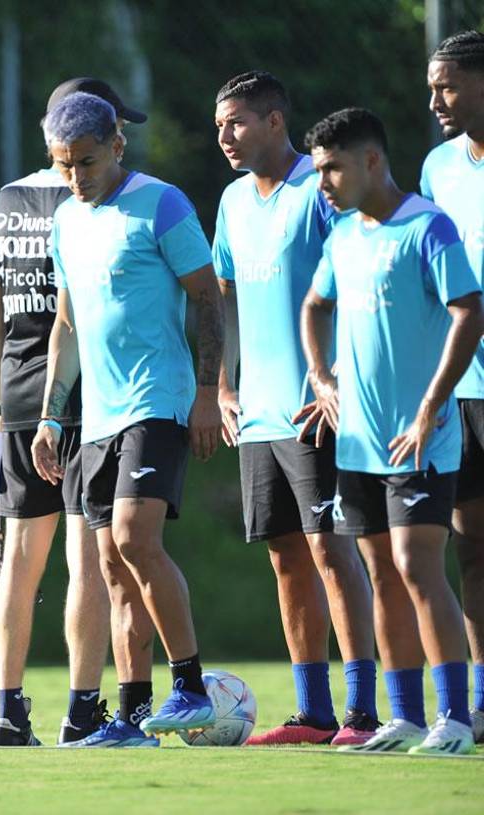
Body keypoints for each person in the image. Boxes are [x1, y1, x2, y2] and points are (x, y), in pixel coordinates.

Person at [31, 91, 225, 747]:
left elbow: (207, 298)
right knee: (111, 563)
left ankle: (192, 685)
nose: (75, 178)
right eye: (63, 166)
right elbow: (67, 323)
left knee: (136, 539)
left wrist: (207, 391)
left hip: (158, 400)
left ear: (116, 146)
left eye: (85, 163)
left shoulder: (162, 203)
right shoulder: (65, 222)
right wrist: (51, 415)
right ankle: (134, 716)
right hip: (98, 417)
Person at [299, 107, 484, 755]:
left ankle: (455, 719)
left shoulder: (427, 226)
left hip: (419, 436)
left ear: (372, 161)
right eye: (319, 169)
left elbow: (469, 309)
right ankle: (403, 716)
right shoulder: (344, 234)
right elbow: (314, 305)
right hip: (358, 442)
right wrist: (321, 379)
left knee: (416, 565)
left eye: (332, 168)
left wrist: (435, 402)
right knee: (379, 571)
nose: (323, 181)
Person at [210, 71, 378, 747]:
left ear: (276, 121)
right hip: (260, 413)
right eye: (219, 124)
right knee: (286, 556)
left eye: (237, 122)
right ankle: (313, 712)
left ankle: (365, 714)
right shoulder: (229, 201)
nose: (224, 135)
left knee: (333, 552)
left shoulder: (322, 189)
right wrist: (223, 387)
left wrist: (339, 377)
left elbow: (367, 271)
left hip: (318, 410)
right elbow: (221, 298)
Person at [0, 78, 148, 747]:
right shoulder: (94, 200)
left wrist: (1, 399)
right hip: (84, 394)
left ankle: (7, 708)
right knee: (87, 558)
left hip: (17, 397)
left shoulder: (3, 201)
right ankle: (82, 706)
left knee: (19, 559)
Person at [422, 29, 484, 744]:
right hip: (459, 387)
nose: (435, 99)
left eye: (448, 85)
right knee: (470, 546)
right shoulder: (439, 166)